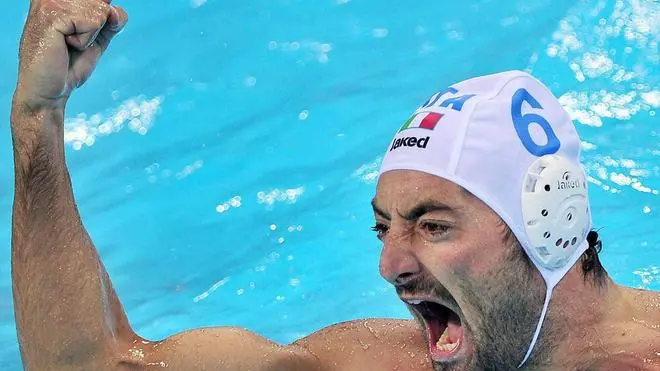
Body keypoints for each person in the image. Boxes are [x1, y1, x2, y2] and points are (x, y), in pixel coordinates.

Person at [9, 0, 659, 370]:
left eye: (433, 225)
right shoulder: (371, 362)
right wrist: (38, 121)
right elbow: (94, 364)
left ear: (547, 221)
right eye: (385, 227)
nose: (390, 265)